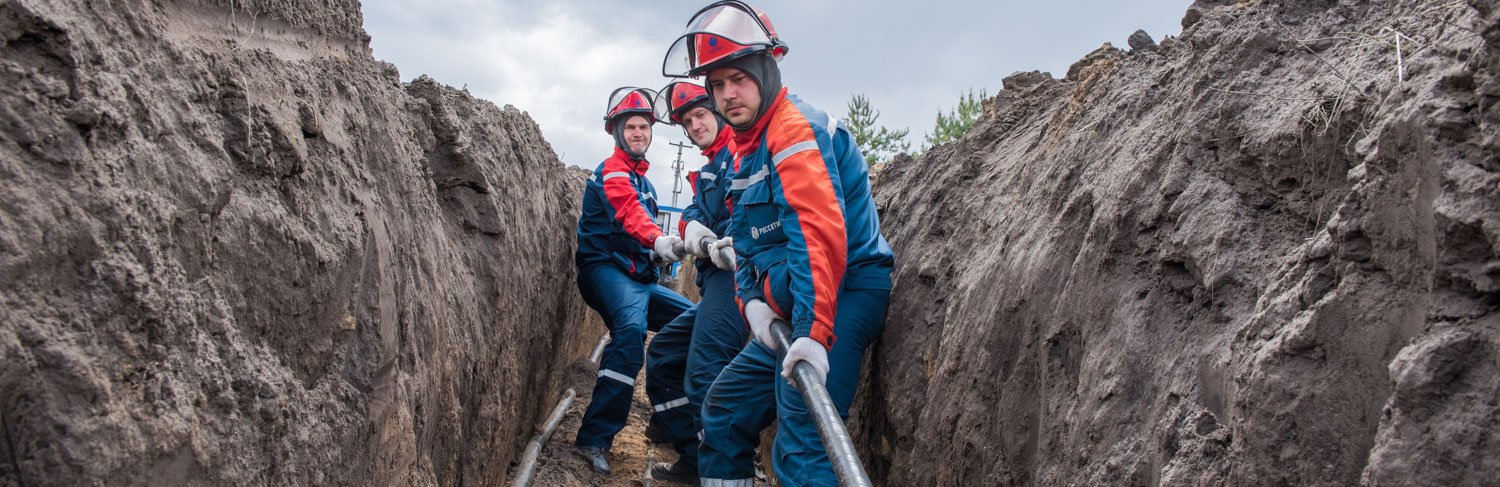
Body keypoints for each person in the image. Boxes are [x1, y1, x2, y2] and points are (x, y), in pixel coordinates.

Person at [663, 2, 896, 485]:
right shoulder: (746, 148)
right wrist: (752, 303)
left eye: (739, 79)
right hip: (793, 306)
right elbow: (745, 242)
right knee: (724, 413)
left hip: (844, 293)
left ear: (768, 69)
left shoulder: (795, 132)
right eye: (718, 85)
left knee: (804, 438)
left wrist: (811, 333)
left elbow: (818, 238)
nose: (729, 95)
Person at [571, 86, 692, 475]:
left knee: (695, 322)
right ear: (616, 131)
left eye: (645, 127)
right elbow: (629, 216)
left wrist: (663, 249)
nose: (640, 133)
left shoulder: (649, 186)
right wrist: (659, 239)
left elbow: (643, 235)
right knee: (630, 331)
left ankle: (666, 419)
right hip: (604, 269)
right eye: (632, 127)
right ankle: (594, 438)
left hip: (637, 278)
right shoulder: (612, 173)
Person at [639, 80, 745, 483]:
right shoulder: (710, 167)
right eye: (688, 121)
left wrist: (734, 235)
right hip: (714, 277)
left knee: (705, 372)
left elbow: (755, 208)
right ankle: (695, 457)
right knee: (665, 355)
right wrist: (692, 226)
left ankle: (724, 470)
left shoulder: (740, 152)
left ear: (717, 111)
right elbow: (694, 211)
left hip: (738, 278)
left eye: (701, 115)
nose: (695, 125)